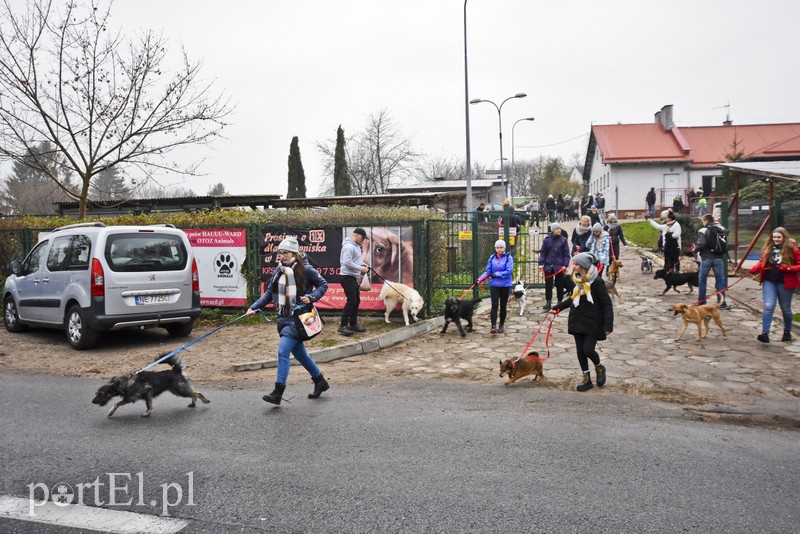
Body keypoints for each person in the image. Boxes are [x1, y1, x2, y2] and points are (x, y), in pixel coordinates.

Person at [246, 237, 330, 404]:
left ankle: (278, 392)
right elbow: (269, 293)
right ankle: (320, 382)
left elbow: (323, 284)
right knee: (301, 354)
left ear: (294, 254)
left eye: (285, 253)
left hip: (298, 319)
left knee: (283, 351)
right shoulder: (279, 271)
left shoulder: (306, 270)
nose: (281, 256)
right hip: (284, 317)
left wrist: (312, 297)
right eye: (280, 253)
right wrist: (254, 307)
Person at [551, 252, 613, 392]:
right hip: (577, 319)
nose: (574, 266)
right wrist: (557, 308)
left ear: (584, 266)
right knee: (580, 351)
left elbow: (606, 303)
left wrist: (608, 324)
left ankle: (599, 367)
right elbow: (573, 298)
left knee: (588, 349)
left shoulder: (597, 282)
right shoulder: (577, 280)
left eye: (577, 264)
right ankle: (586, 379)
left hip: (593, 321)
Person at [749, 227, 800, 343]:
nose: (776, 239)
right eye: (774, 237)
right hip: (769, 281)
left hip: (785, 282)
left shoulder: (792, 249)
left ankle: (787, 331)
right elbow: (762, 262)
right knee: (768, 306)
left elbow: (799, 265)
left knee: (785, 309)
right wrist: (754, 269)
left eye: (779, 237)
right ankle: (765, 333)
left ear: (784, 237)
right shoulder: (768, 248)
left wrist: (787, 268)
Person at [477, 239, 514, 334]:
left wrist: (497, 274)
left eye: (501, 247)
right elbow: (488, 271)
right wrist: (480, 279)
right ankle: (493, 326)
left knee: (503, 306)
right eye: (497, 247)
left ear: (504, 248)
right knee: (494, 305)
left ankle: (501, 325)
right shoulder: (492, 258)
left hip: (505, 285)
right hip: (494, 285)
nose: (499, 249)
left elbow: (508, 271)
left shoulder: (508, 258)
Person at [338, 227, 369, 336]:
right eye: (362, 237)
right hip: (347, 277)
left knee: (356, 301)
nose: (363, 240)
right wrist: (361, 269)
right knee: (351, 301)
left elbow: (356, 260)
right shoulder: (348, 246)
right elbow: (346, 262)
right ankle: (343, 326)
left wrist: (363, 264)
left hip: (353, 277)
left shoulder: (356, 246)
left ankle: (353, 324)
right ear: (356, 235)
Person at [696, 214, 730, 309]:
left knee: (702, 280)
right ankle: (722, 303)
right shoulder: (721, 229)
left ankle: (702, 301)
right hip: (719, 258)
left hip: (706, 258)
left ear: (706, 221)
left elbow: (701, 244)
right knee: (720, 280)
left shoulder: (703, 230)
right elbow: (727, 232)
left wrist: (695, 250)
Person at [538, 222, 571, 310]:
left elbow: (566, 254)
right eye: (556, 229)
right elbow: (543, 253)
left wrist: (565, 265)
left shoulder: (563, 240)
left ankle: (560, 301)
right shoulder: (547, 240)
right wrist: (541, 264)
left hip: (559, 266)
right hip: (548, 266)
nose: (558, 230)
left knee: (559, 284)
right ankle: (548, 301)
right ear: (553, 230)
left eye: (559, 229)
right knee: (548, 284)